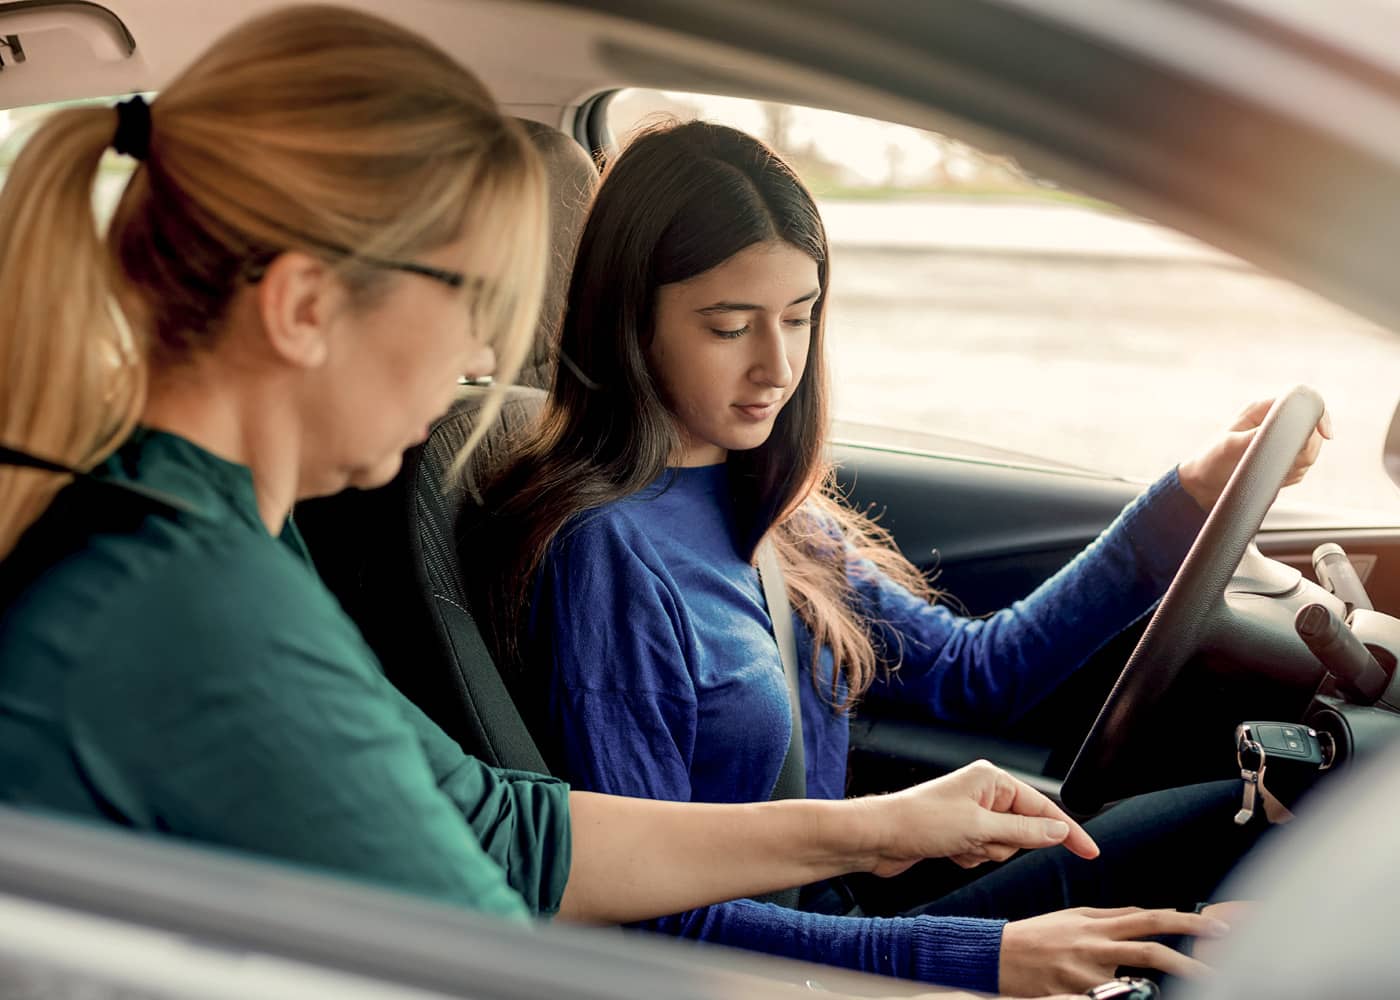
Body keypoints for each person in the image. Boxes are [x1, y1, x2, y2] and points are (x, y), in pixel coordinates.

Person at [0, 5, 1100, 952]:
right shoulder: (187, 604)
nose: (484, 358)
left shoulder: (207, 536)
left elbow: (502, 829)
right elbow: (478, 941)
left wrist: (876, 828)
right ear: (303, 307)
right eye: (472, 301)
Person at [476, 120, 1331, 995]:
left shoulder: (772, 509)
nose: (778, 366)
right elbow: (649, 921)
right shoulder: (606, 558)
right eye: (729, 326)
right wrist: (980, 960)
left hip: (840, 929)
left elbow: (976, 672)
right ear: (631, 323)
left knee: (1281, 814)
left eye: (799, 318)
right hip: (781, 971)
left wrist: (1192, 492)